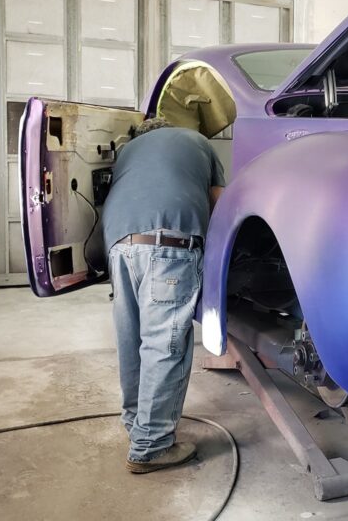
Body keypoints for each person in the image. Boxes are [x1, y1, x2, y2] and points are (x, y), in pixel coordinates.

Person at [102, 116, 225, 473]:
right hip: (169, 244)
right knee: (164, 344)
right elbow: (219, 202)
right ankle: (151, 446)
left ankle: (137, 424)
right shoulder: (197, 141)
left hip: (119, 246)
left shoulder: (128, 151)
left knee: (132, 340)